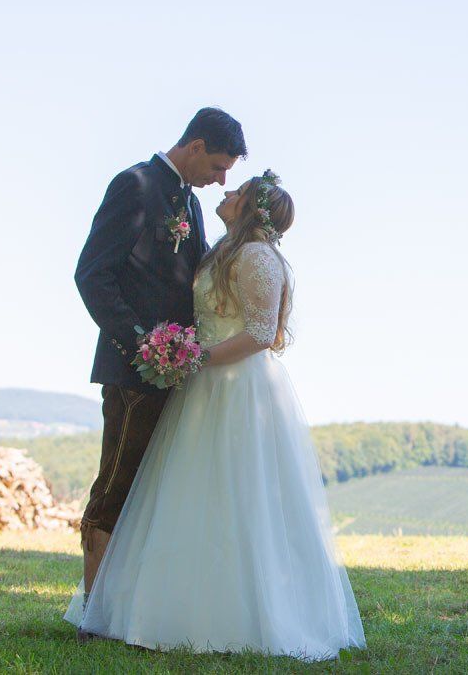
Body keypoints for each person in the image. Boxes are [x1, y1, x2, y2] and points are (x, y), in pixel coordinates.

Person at [65, 170, 366, 660]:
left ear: (251, 208)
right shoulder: (221, 250)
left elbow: (262, 333)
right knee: (185, 494)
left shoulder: (256, 256)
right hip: (200, 386)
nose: (226, 191)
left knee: (234, 494)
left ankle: (238, 614)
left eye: (238, 191)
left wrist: (198, 358)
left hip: (236, 389)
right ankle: (164, 606)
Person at [73, 107, 246, 605]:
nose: (221, 180)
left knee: (153, 495)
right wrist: (141, 343)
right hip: (132, 374)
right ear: (196, 146)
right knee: (117, 488)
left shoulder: (189, 202)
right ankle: (94, 612)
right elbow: (92, 275)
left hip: (179, 376)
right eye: (218, 166)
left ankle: (132, 607)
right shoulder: (135, 185)